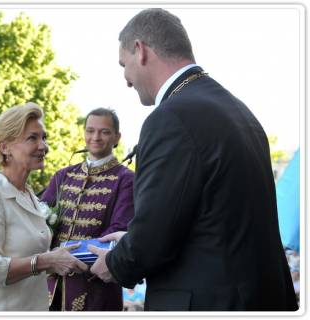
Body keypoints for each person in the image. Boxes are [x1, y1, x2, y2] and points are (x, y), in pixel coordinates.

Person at [87, 8, 298, 311]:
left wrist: (116, 261)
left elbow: (151, 241)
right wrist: (133, 237)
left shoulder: (170, 117)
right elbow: (212, 216)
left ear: (140, 49)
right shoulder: (239, 111)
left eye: (124, 65)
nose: (126, 80)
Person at [0, 102, 88, 311]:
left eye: (44, 137)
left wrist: (59, 260)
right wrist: (44, 262)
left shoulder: (28, 193)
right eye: (32, 138)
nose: (43, 146)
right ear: (4, 147)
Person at [40, 107, 135, 311]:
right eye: (90, 131)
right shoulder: (62, 176)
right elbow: (37, 221)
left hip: (95, 288)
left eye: (104, 132)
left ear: (116, 137)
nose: (96, 137)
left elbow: (118, 231)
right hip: (48, 287)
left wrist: (66, 256)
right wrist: (48, 257)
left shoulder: (127, 179)